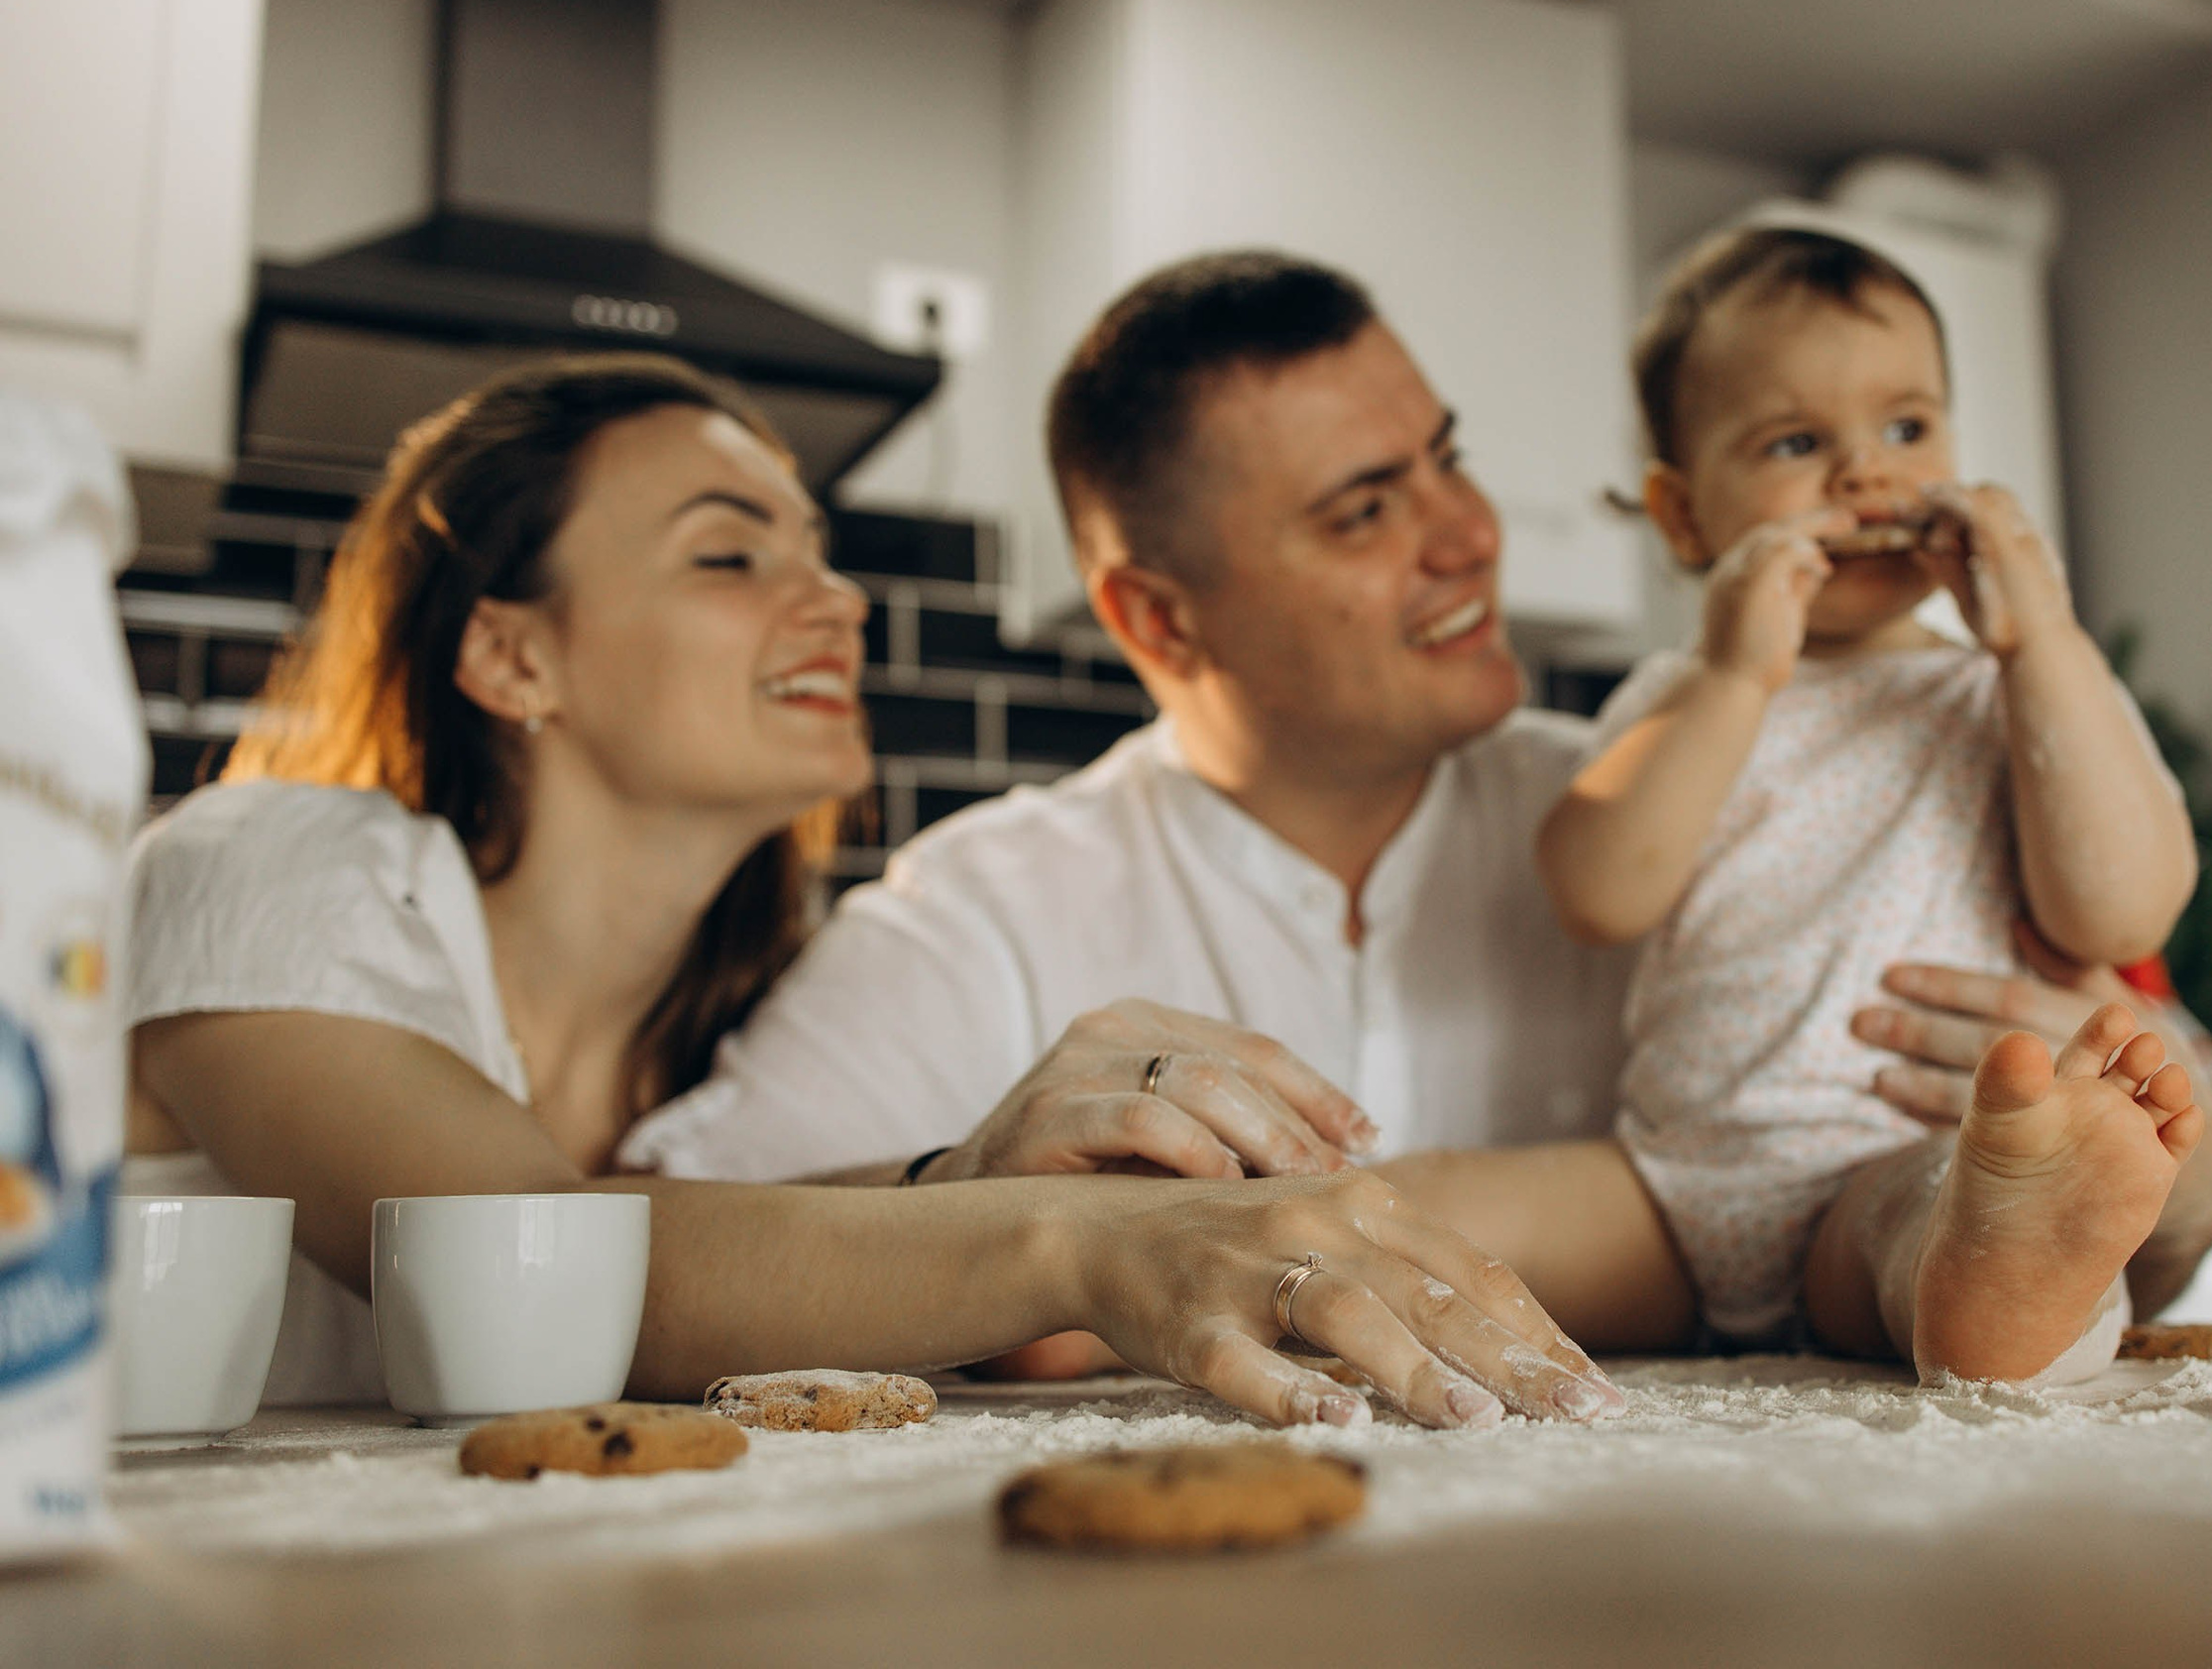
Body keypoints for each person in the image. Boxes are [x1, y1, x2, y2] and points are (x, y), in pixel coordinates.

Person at [622, 251, 2212, 1360]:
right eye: (1365, 510)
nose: (1471, 534)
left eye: (1449, 460)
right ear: (1156, 619)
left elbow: (2136, 1045)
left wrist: (2182, 1139)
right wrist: (987, 1200)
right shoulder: (984, 907)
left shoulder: (1692, 799)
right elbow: (636, 1256)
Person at [116, 352, 1623, 1432]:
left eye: (821, 554)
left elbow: (707, 1249)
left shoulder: (702, 1033)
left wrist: (960, 1180)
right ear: (513, 656)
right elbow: (534, 1253)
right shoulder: (266, 864)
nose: (833, 599)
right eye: (729, 557)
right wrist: (1074, 1239)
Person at [1536, 226, 2205, 1380]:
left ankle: (2008, 1288)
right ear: (1683, 516)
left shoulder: (2006, 694)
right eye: (1796, 443)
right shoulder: (1681, 697)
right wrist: (1734, 676)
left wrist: (2042, 640)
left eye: (1906, 428)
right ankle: (1213, 1268)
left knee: (1943, 1228)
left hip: (1896, 1160)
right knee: (1417, 1215)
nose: (1865, 475)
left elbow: (2122, 912)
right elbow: (1596, 893)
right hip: (1670, 1188)